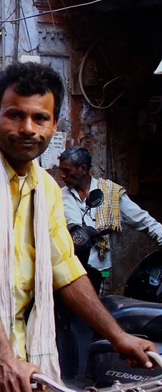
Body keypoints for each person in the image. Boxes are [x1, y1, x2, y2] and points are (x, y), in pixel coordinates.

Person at [0, 62, 155, 392]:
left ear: (54, 126)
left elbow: (65, 269)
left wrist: (119, 337)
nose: (28, 128)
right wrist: (2, 360)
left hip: (12, 341)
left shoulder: (45, 189)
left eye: (40, 118)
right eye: (16, 115)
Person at [57, 145, 162, 381]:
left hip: (98, 272)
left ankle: (95, 370)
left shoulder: (110, 193)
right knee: (68, 325)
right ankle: (71, 373)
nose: (62, 175)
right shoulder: (58, 196)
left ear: (83, 169)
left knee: (99, 321)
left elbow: (145, 222)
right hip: (67, 271)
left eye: (67, 170)